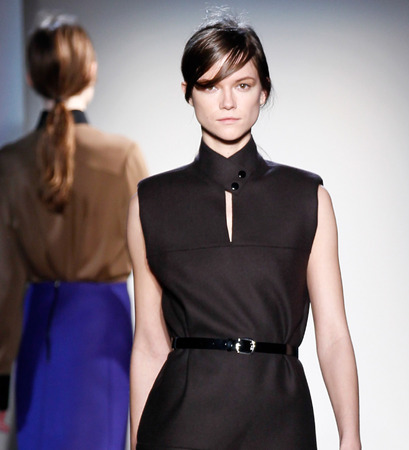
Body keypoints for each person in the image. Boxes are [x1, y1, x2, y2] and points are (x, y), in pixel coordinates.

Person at [128, 13, 361, 450]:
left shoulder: (307, 198)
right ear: (188, 93)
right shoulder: (151, 201)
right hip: (181, 424)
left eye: (242, 84)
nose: (227, 102)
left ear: (263, 91)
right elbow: (148, 344)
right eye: (209, 86)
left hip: (280, 419)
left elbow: (332, 333)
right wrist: (135, 443)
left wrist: (351, 436)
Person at [0, 15, 148, 449]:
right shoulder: (123, 157)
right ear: (90, 71)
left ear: (31, 77)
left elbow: (5, 276)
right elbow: (153, 266)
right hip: (105, 331)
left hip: (41, 327)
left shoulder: (8, 164)